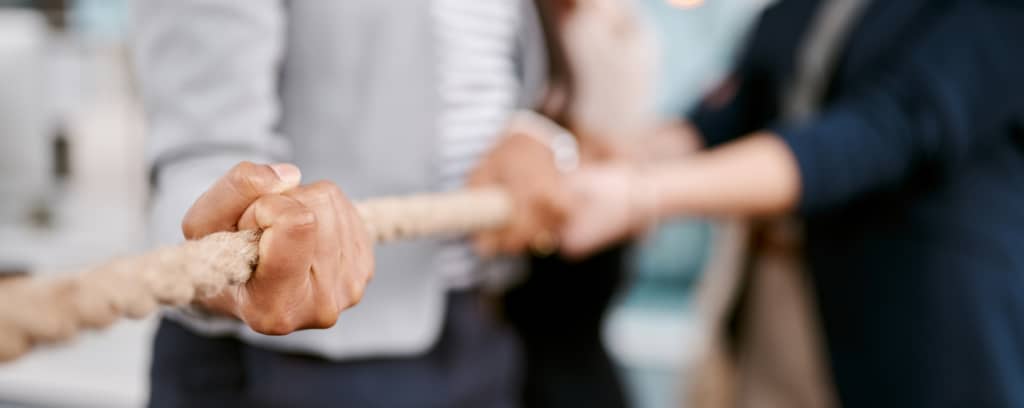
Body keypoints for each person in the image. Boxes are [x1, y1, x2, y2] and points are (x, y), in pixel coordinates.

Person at [547, 0, 1024, 406]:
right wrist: (628, 155)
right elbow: (735, 107)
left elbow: (875, 132)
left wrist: (643, 195)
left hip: (916, 320)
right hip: (776, 295)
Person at [135, 1, 572, 406]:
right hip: (295, 368)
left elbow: (494, 79)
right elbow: (200, 153)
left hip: (485, 331)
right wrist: (234, 244)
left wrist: (536, 133)